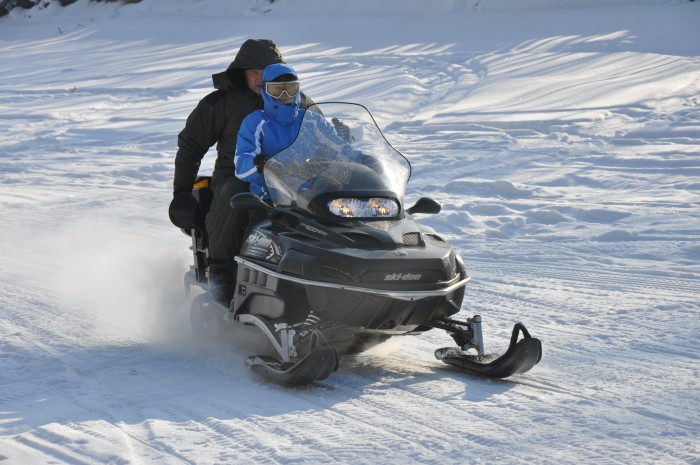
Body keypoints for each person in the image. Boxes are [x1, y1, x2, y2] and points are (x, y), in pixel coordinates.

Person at [170, 39, 315, 305]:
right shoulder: (222, 103)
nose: (261, 79)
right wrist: (181, 193)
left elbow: (321, 137)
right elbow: (191, 146)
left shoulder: (298, 101)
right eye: (254, 73)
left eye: (267, 72)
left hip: (291, 180)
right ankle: (222, 274)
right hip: (238, 178)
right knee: (235, 195)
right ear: (242, 73)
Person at [235, 63, 360, 201]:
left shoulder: (312, 120)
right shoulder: (255, 122)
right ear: (266, 90)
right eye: (277, 90)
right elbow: (242, 164)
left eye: (290, 89)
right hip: (269, 199)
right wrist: (260, 164)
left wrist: (362, 159)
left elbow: (338, 147)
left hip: (312, 195)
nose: (284, 95)